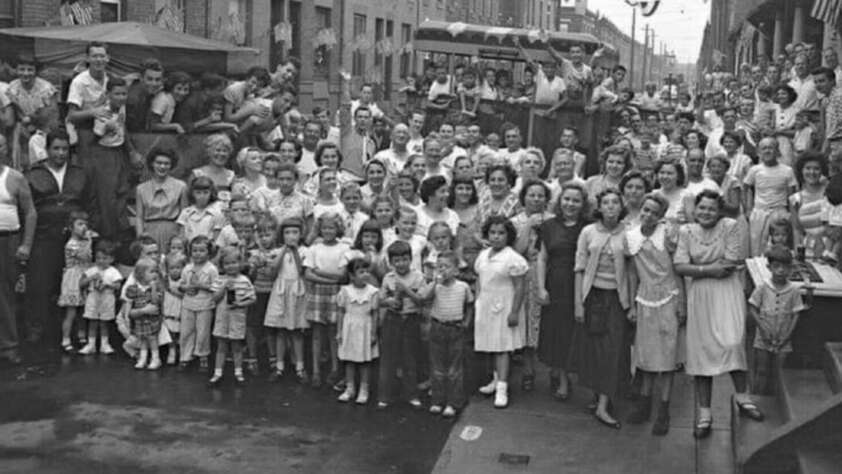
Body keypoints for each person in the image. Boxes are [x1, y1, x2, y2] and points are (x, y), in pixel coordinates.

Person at [674, 189, 763, 439]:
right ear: (695, 209)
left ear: (719, 210)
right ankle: (705, 413)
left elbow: (731, 261)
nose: (706, 212)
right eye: (702, 208)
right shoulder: (685, 231)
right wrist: (708, 269)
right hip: (700, 295)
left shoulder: (731, 225)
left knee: (734, 343)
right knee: (702, 352)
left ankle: (743, 398)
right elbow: (679, 265)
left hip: (728, 291)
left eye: (711, 208)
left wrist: (698, 268)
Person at [25, 131, 92, 345]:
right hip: (44, 236)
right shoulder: (34, 173)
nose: (61, 153)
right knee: (42, 283)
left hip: (74, 238)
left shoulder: (79, 173)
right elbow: (27, 208)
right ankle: (38, 329)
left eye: (65, 149)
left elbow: (90, 204)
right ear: (47, 149)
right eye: (56, 148)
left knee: (75, 284)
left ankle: (74, 332)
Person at [625, 194, 684, 436]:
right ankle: (645, 404)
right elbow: (631, 274)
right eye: (645, 210)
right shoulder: (631, 236)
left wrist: (682, 302)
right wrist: (630, 304)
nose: (648, 215)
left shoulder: (668, 235)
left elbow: (678, 269)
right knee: (646, 355)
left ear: (661, 217)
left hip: (669, 296)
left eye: (654, 212)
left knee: (668, 358)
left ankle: (664, 409)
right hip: (645, 298)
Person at [574, 188, 631, 429]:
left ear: (621, 207)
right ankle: (598, 395)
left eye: (614, 203)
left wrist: (631, 303)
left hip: (616, 298)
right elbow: (579, 267)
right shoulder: (588, 231)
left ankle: (603, 406)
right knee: (594, 349)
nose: (610, 207)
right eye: (605, 203)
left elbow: (632, 269)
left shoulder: (628, 233)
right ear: (599, 207)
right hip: (593, 296)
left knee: (613, 350)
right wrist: (579, 302)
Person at [536, 181, 588, 400]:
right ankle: (558, 373)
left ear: (583, 204)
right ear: (560, 201)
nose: (570, 204)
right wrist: (540, 287)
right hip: (554, 283)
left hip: (578, 285)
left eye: (576, 200)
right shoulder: (548, 226)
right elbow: (542, 257)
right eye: (567, 199)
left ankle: (566, 378)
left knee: (571, 333)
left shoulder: (588, 226)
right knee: (554, 332)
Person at [474, 215, 529, 409]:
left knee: (503, 347)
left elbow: (520, 287)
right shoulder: (483, 254)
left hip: (504, 305)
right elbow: (480, 280)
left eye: (501, 233)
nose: (496, 237)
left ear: (509, 236)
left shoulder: (513, 258)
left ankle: (503, 389)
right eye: (492, 233)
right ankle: (495, 380)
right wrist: (478, 302)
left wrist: (514, 311)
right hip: (486, 305)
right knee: (490, 344)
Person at [511, 180, 554, 392]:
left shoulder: (554, 220)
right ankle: (528, 370)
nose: (536, 199)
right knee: (527, 322)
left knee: (549, 322)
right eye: (531, 195)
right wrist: (528, 225)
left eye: (540, 195)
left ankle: (555, 371)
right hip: (525, 274)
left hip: (547, 274)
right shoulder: (515, 221)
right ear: (524, 197)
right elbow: (516, 250)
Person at [421, 250, 473, 417]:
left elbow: (470, 304)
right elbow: (424, 298)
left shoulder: (462, 287)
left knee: (454, 369)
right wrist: (435, 283)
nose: (442, 270)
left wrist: (466, 322)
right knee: (437, 367)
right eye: (439, 266)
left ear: (456, 270)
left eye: (447, 267)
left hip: (455, 328)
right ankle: (437, 400)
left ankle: (453, 402)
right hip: (438, 327)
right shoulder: (436, 286)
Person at [378, 240, 427, 409]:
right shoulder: (388, 277)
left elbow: (422, 300)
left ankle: (411, 394)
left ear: (411, 259)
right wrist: (389, 301)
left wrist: (406, 290)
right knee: (388, 359)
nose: (401, 264)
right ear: (391, 263)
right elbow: (380, 300)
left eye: (405, 259)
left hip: (410, 320)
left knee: (410, 358)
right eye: (397, 261)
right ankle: (385, 395)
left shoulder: (418, 276)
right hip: (392, 320)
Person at [304, 213, 350, 389]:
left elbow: (342, 275)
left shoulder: (343, 248)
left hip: (335, 293)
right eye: (324, 228)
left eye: (331, 228)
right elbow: (308, 274)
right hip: (317, 292)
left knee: (333, 333)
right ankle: (315, 370)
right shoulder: (314, 249)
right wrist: (329, 280)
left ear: (337, 229)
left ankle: (334, 369)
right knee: (317, 334)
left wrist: (320, 273)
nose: (328, 231)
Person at [0, 144, 35, 364]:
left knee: (5, 295)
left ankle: (9, 346)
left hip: (7, 240)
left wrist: (26, 244)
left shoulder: (15, 178)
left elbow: (30, 212)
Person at [265, 217, 309, 383]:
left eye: (295, 232)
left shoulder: (304, 251)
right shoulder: (277, 251)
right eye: (287, 232)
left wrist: (295, 250)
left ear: (300, 234)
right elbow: (273, 270)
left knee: (297, 331)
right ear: (282, 235)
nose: (291, 236)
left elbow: (301, 269)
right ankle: (279, 366)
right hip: (281, 291)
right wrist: (284, 250)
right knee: (281, 330)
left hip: (297, 291)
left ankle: (299, 366)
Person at [208, 246, 257, 386]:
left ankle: (238, 372)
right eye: (227, 263)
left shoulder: (244, 280)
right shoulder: (219, 279)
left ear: (240, 264)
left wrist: (240, 303)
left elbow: (253, 299)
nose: (231, 266)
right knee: (221, 346)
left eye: (234, 263)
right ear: (222, 265)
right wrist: (223, 287)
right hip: (222, 318)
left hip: (237, 318)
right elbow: (215, 299)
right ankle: (217, 373)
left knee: (237, 346)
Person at [335, 258, 380, 404]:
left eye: (367, 271)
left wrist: (373, 333)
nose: (365, 274)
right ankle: (350, 388)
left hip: (365, 327)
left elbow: (375, 313)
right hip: (349, 327)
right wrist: (339, 331)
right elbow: (341, 312)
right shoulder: (345, 291)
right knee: (349, 360)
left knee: (365, 361)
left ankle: (364, 389)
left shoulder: (373, 292)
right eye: (361, 272)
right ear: (352, 275)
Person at [744, 138, 798, 257]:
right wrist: (748, 208)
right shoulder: (755, 170)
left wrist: (790, 215)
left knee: (780, 246)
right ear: (759, 152)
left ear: (777, 151)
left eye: (771, 147)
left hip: (779, 213)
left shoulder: (787, 170)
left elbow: (792, 195)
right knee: (757, 248)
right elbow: (746, 187)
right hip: (759, 212)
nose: (767, 151)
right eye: (764, 148)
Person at [245, 216, 282, 376]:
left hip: (273, 294)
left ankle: (273, 358)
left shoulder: (279, 252)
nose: (264, 239)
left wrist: (269, 266)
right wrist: (254, 266)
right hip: (256, 293)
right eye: (261, 236)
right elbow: (249, 277)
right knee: (252, 326)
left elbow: (278, 274)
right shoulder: (252, 253)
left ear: (275, 234)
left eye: (268, 235)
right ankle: (252, 358)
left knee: (271, 328)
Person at [178, 236, 219, 372]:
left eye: (201, 250)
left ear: (208, 252)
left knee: (203, 332)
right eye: (194, 250)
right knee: (186, 331)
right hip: (188, 304)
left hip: (205, 305)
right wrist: (185, 288)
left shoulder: (211, 269)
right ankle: (185, 356)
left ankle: (202, 355)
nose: (197, 253)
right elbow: (181, 284)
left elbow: (216, 287)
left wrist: (203, 285)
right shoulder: (187, 268)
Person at [135, 148, 188, 253]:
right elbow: (139, 216)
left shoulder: (181, 186)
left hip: (172, 231)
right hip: (149, 231)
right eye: (158, 163)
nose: (162, 167)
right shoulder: (141, 189)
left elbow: (184, 214)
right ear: (152, 164)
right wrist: (140, 235)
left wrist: (182, 237)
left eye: (166, 164)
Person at [58, 210, 95, 353]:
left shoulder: (83, 242)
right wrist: (90, 241)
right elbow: (84, 256)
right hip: (74, 278)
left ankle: (81, 335)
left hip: (84, 274)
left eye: (85, 224)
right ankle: (65, 339)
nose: (84, 227)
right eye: (80, 224)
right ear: (71, 227)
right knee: (71, 311)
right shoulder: (72, 244)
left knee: (83, 309)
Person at [78, 240, 122, 355]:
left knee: (104, 322)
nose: (101, 261)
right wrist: (90, 278)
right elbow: (81, 283)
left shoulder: (113, 271)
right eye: (98, 258)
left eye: (104, 258)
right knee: (92, 321)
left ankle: (104, 344)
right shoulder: (92, 270)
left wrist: (108, 284)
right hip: (93, 297)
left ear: (111, 259)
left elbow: (118, 285)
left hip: (107, 298)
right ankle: (91, 344)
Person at [123, 257, 164, 370]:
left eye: (156, 271)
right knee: (142, 339)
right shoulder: (134, 289)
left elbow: (156, 301)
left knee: (152, 338)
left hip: (152, 319)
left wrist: (154, 288)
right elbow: (129, 306)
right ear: (141, 274)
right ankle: (143, 358)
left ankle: (156, 358)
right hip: (140, 319)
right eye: (151, 271)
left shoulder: (155, 288)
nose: (155, 274)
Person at [790, 152, 828, 258]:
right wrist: (798, 254)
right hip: (808, 251)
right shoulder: (795, 199)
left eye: (816, 168)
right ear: (801, 171)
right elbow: (796, 230)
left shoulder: (830, 194)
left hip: (830, 251)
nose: (812, 172)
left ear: (822, 171)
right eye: (807, 168)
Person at [192, 133, 236, 208]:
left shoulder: (232, 176)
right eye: (217, 150)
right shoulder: (197, 174)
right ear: (209, 152)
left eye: (225, 151)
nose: (221, 154)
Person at [177, 176, 225, 243]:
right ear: (192, 193)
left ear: (211, 193)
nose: (202, 196)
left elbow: (216, 239)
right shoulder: (186, 213)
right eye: (198, 193)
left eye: (206, 192)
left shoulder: (216, 214)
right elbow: (182, 237)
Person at [125, 58, 164, 132]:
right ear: (141, 78)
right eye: (150, 79)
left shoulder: (148, 93)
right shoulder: (133, 99)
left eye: (157, 79)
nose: (154, 83)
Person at [162, 251, 186, 365]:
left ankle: (182, 353)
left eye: (178, 267)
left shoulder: (184, 281)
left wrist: (172, 290)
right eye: (172, 268)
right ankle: (172, 351)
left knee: (181, 333)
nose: (175, 270)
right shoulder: (166, 280)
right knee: (170, 332)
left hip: (180, 310)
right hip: (168, 310)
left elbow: (184, 295)